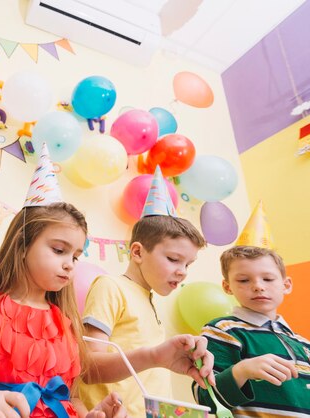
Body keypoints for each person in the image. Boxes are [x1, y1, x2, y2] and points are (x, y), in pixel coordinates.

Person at [0, 144, 128, 418]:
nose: (70, 263)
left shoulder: (66, 322)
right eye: (59, 250)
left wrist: (92, 415)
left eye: (76, 256)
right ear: (22, 245)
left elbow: (70, 400)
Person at [76, 166, 215, 417]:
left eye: (188, 264)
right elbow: (89, 367)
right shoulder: (111, 287)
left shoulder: (149, 299)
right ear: (138, 252)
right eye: (174, 259)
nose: (182, 271)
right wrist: (154, 356)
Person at [193, 203, 310, 416]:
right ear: (227, 287)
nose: (258, 286)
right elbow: (204, 399)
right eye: (244, 280)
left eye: (267, 278)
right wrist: (241, 371)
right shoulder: (222, 331)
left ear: (286, 285)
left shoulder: (304, 344)